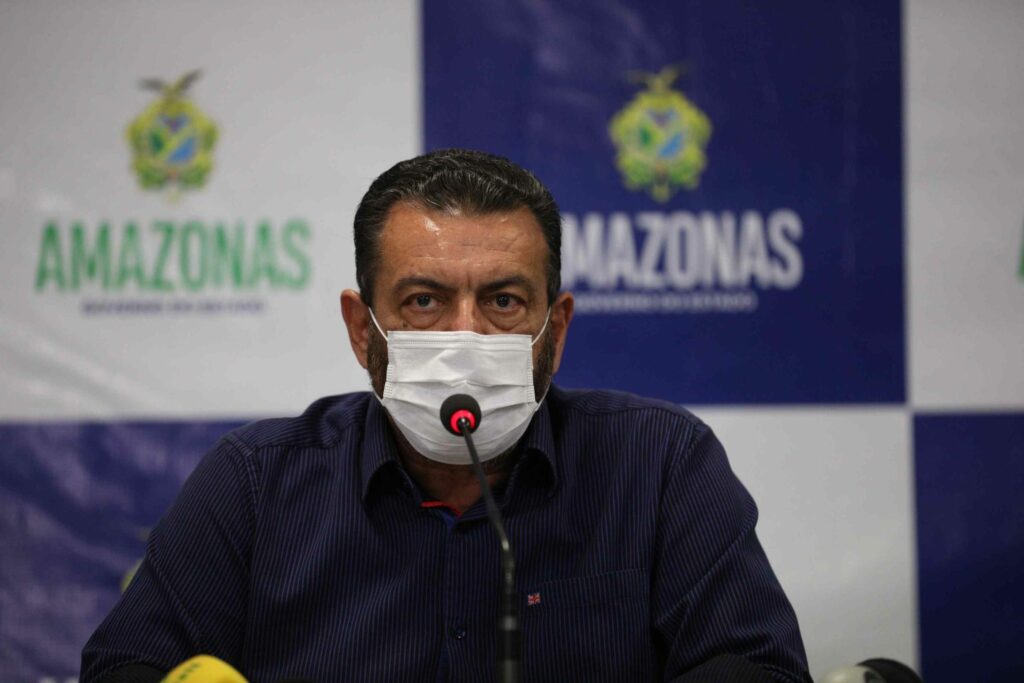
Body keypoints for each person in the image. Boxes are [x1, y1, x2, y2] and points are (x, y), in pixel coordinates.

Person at [81, 149, 811, 682]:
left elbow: (758, 668)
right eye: (424, 301)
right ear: (362, 329)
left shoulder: (659, 462)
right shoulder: (255, 482)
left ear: (555, 329)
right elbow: (125, 667)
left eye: (503, 301)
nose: (466, 336)